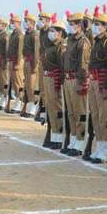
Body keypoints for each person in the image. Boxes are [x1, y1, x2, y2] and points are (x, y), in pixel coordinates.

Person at [87, 6, 107, 164]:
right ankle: (99, 146)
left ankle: (105, 150)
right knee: (96, 116)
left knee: (104, 117)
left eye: (99, 24)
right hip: (93, 81)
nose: (96, 27)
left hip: (102, 83)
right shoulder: (96, 41)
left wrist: (104, 86)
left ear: (105, 26)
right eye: (95, 24)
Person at [63, 11, 92, 156]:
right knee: (71, 112)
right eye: (70, 24)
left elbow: (83, 64)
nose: (70, 26)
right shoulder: (70, 39)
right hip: (68, 79)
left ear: (79, 25)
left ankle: (81, 141)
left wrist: (82, 82)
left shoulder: (83, 41)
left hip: (76, 79)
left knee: (80, 112)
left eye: (73, 24)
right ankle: (73, 138)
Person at [41, 15, 67, 149]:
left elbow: (61, 67)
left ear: (60, 33)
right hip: (47, 78)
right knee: (50, 107)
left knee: (57, 108)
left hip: (55, 79)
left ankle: (59, 136)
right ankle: (53, 134)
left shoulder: (61, 47)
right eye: (50, 30)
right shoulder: (50, 46)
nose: (50, 33)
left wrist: (59, 83)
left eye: (53, 31)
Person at [22, 10, 41, 117]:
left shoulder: (34, 35)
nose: (25, 23)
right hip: (26, 61)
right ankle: (29, 107)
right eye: (25, 21)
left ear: (32, 23)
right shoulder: (27, 34)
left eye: (27, 21)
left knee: (33, 86)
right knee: (28, 86)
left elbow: (36, 52)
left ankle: (33, 108)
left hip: (32, 62)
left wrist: (35, 65)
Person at [7, 13, 25, 114]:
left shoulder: (20, 35)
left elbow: (19, 50)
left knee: (18, 83)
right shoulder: (13, 34)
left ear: (18, 23)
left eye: (13, 22)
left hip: (17, 61)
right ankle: (17, 102)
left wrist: (18, 63)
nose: (11, 24)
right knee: (14, 83)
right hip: (12, 61)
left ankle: (19, 103)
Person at [0, 16, 11, 110]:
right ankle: (2, 98)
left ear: (4, 26)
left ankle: (5, 98)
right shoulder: (0, 35)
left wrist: (5, 63)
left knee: (4, 81)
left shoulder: (5, 36)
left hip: (3, 61)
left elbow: (6, 50)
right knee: (0, 81)